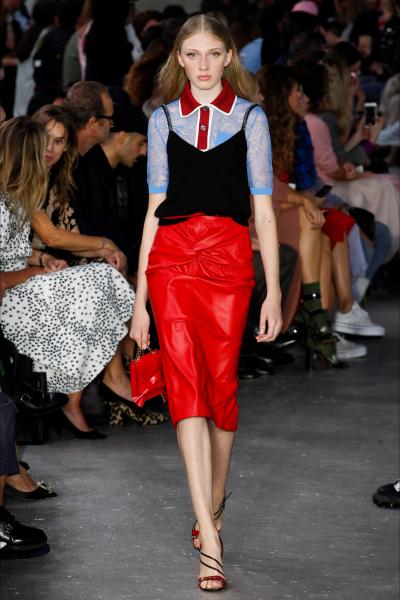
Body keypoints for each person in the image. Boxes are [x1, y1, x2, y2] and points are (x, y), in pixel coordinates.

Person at [130, 14, 282, 592]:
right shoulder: (162, 118)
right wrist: (141, 301)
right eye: (191, 54)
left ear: (228, 57)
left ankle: (213, 505)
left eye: (212, 53)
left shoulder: (251, 119)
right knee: (186, 390)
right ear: (178, 58)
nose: (201, 65)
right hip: (171, 260)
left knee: (220, 391)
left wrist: (272, 290)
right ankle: (210, 539)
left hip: (228, 261)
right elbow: (154, 210)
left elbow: (263, 210)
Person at [0, 116, 135, 438]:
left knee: (103, 279)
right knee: (99, 281)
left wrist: (43, 258)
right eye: (41, 147)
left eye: (57, 143)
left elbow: (14, 250)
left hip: (25, 283)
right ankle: (89, 388)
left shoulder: (16, 194)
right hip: (11, 297)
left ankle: (77, 394)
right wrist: (37, 270)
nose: (48, 152)